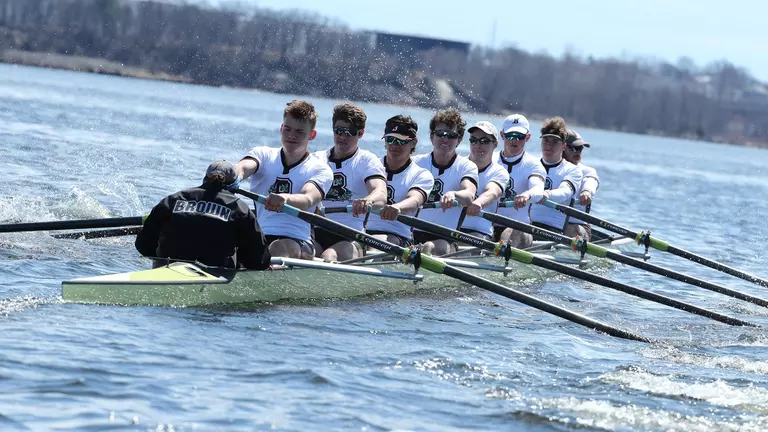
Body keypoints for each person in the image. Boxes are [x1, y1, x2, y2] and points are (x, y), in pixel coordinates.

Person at [235, 99, 334, 260]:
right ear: (281, 128)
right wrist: (231, 175)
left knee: (278, 247)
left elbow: (307, 199)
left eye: (299, 132)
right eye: (287, 129)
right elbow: (243, 167)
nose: (291, 136)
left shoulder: (320, 169)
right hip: (261, 236)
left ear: (312, 135)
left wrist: (284, 199)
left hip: (299, 242)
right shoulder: (263, 155)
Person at [135, 160, 271, 269]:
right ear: (234, 185)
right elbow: (259, 261)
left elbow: (142, 244)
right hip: (215, 274)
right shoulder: (240, 208)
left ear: (205, 178)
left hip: (167, 268)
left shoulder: (173, 199)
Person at [313, 103, 387, 261]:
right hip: (317, 231)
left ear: (361, 133)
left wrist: (368, 200)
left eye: (349, 133)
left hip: (351, 236)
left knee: (328, 256)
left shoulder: (367, 161)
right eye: (338, 131)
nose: (342, 137)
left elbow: (380, 194)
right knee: (305, 253)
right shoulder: (317, 159)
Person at [412, 108, 479, 255]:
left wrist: (453, 194)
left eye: (451, 135)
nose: (445, 139)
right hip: (412, 234)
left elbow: (469, 196)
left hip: (446, 238)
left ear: (459, 140)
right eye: (440, 134)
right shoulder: (415, 163)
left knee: (429, 247)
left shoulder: (466, 166)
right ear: (431, 136)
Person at [365, 115, 434, 247]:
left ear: (413, 143)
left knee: (376, 243)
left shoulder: (421, 175)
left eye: (401, 141)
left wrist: (397, 207)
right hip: (362, 233)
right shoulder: (370, 167)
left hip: (398, 237)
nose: (394, 145)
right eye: (390, 139)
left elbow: (414, 200)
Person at [491, 114, 546, 248]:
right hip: (488, 225)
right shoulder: (489, 159)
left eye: (519, 136)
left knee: (508, 235)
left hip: (519, 228)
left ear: (527, 137)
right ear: (502, 135)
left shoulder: (533, 165)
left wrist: (527, 195)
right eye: (510, 136)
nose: (514, 140)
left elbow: (538, 190)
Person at [529, 117, 583, 233]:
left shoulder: (572, 170)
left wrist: (547, 194)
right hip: (526, 226)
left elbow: (565, 192)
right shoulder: (531, 165)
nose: (549, 145)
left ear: (563, 146)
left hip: (553, 232)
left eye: (554, 142)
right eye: (546, 141)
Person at [461, 121, 510, 241]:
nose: (478, 145)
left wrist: (478, 203)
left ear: (495, 144)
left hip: (479, 233)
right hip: (449, 229)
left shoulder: (499, 172)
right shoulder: (458, 165)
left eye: (484, 141)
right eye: (473, 140)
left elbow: (492, 192)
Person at [562, 129, 599, 240]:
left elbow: (591, 181)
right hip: (550, 223)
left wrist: (587, 191)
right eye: (574, 148)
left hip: (576, 225)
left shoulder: (587, 171)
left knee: (571, 230)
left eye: (580, 148)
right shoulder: (550, 168)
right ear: (562, 147)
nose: (578, 152)